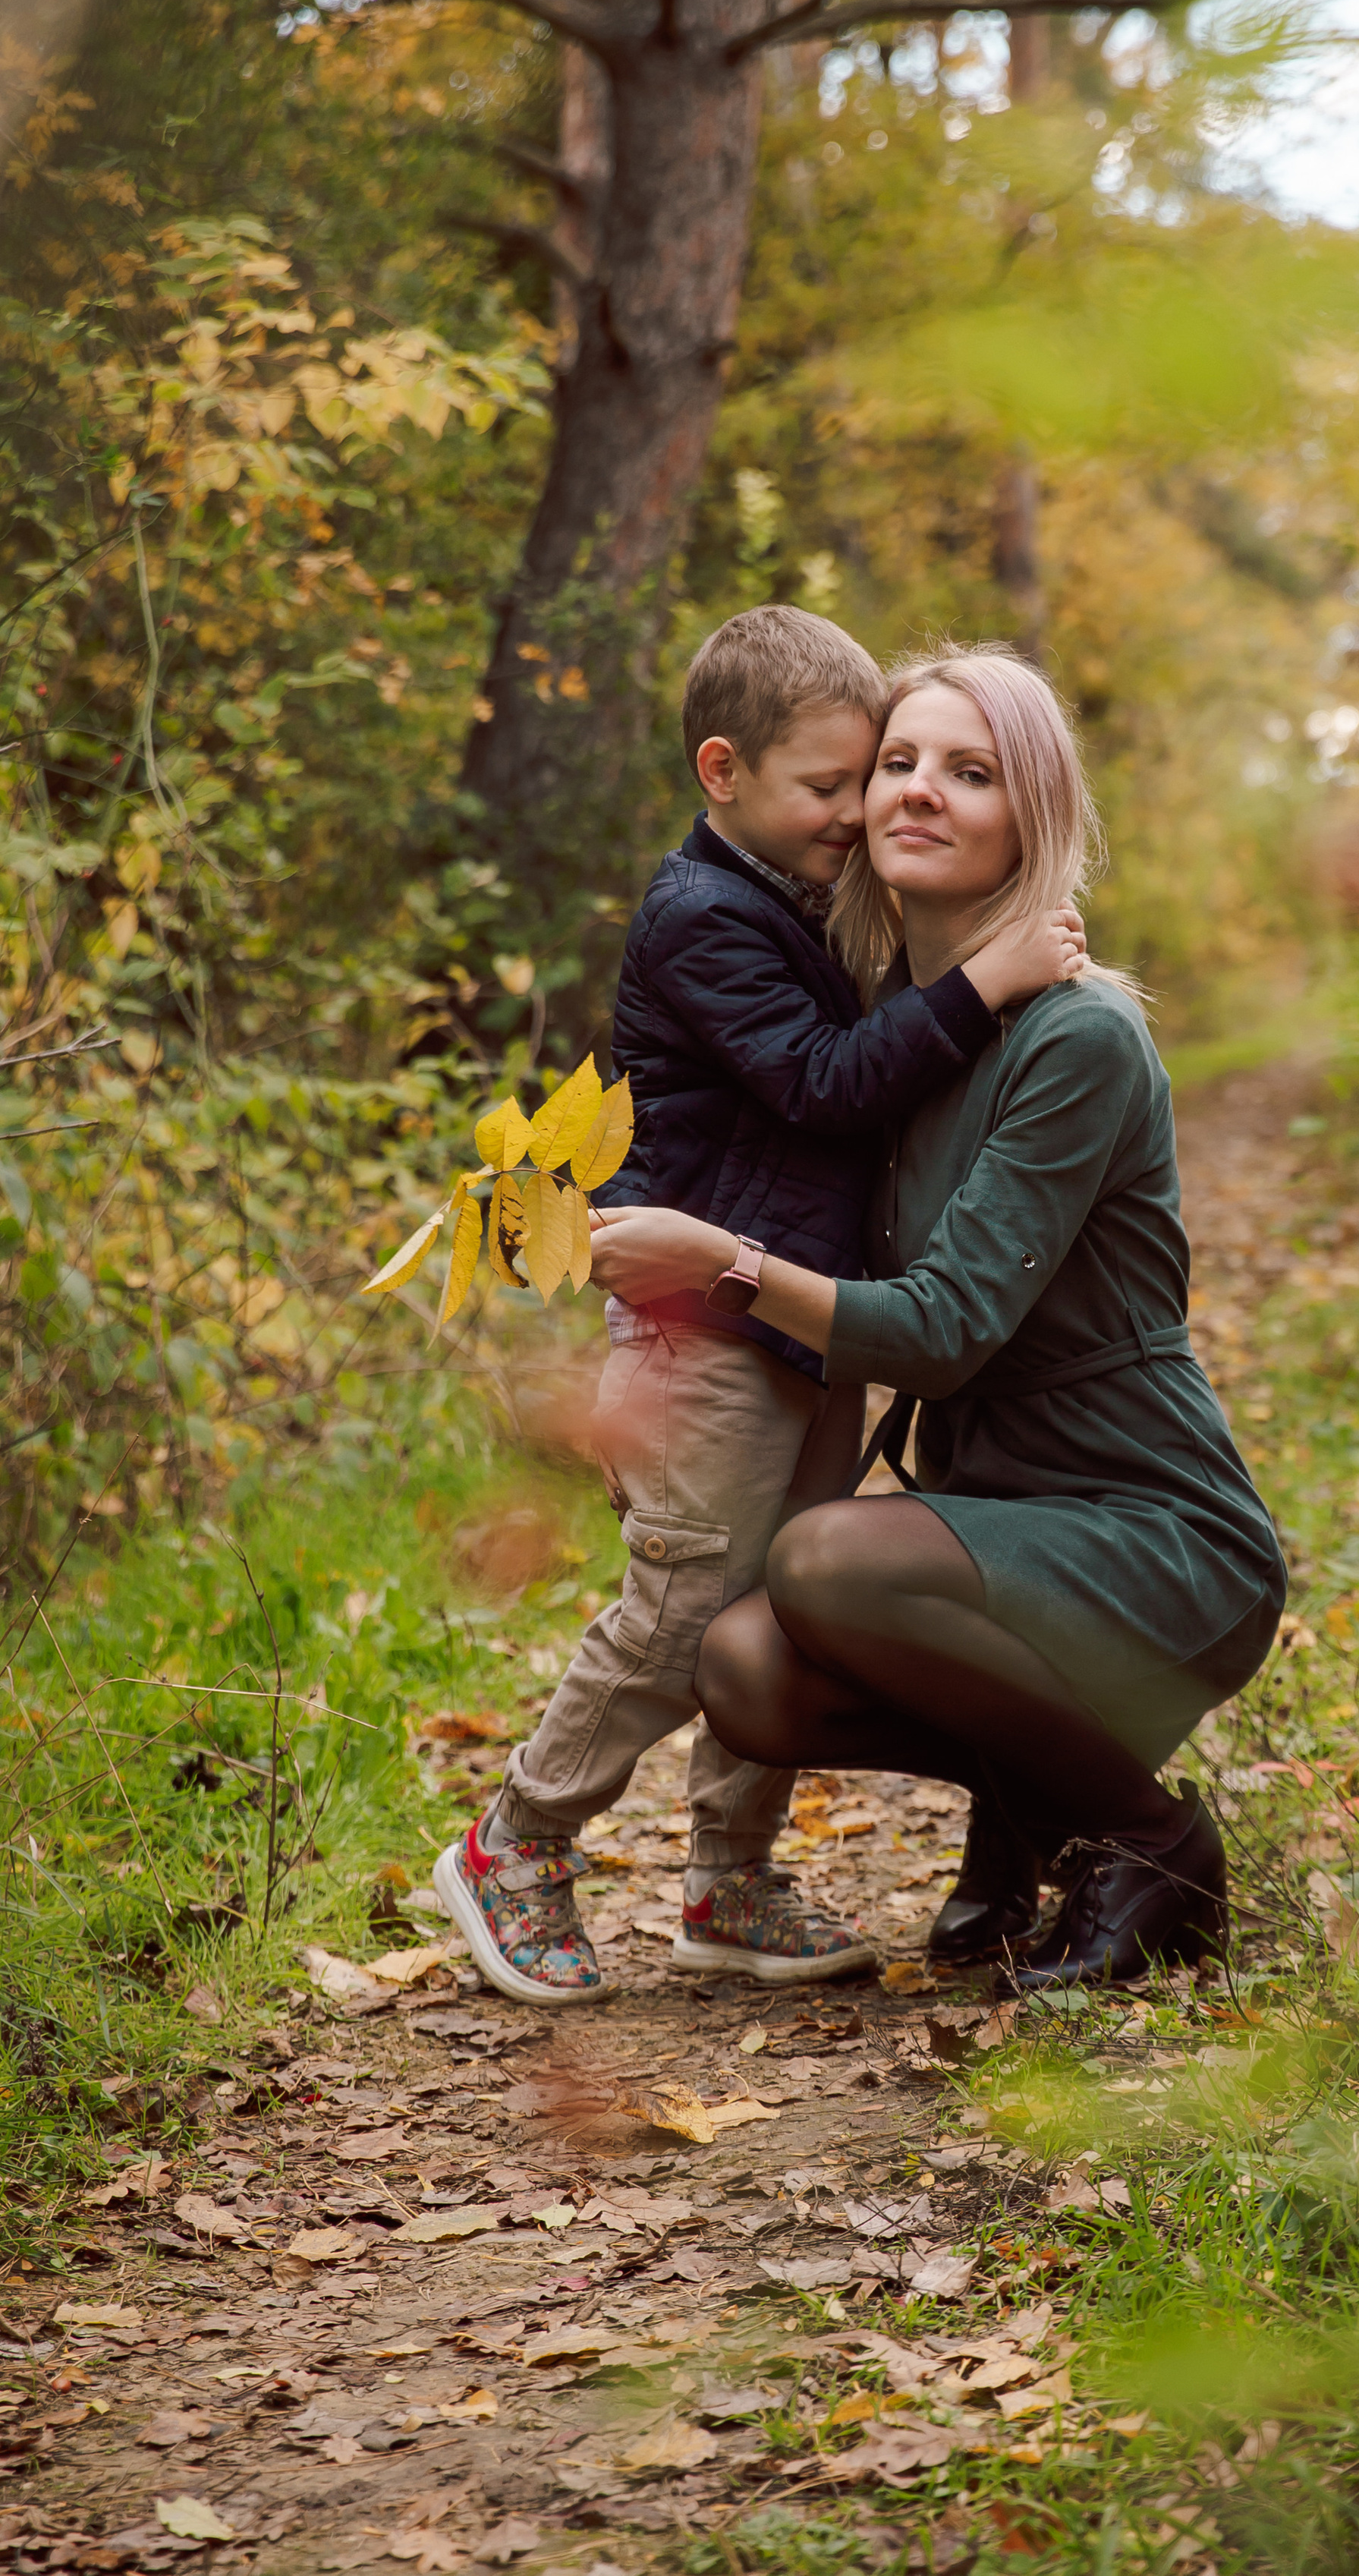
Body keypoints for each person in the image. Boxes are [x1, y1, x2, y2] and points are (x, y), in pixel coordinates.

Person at [587, 644, 1286, 1992]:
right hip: (992, 1525)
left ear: (1034, 816)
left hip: (1148, 1529)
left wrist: (717, 1263)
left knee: (827, 1563)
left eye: (970, 772)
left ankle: (1149, 1841)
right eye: (896, 763)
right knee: (744, 1669)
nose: (913, 793)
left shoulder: (1076, 1037)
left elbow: (940, 1329)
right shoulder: (899, 1035)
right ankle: (1023, 1818)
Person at [435, 606, 1084, 2005]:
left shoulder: (791, 896)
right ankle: (516, 1842)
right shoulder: (699, 919)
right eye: (831, 786)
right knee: (683, 1607)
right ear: (722, 770)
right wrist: (991, 980)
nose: (858, 814)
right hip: (703, 1330)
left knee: (775, 1607)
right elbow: (826, 1083)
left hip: (799, 1315)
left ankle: (729, 1880)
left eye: (871, 781)